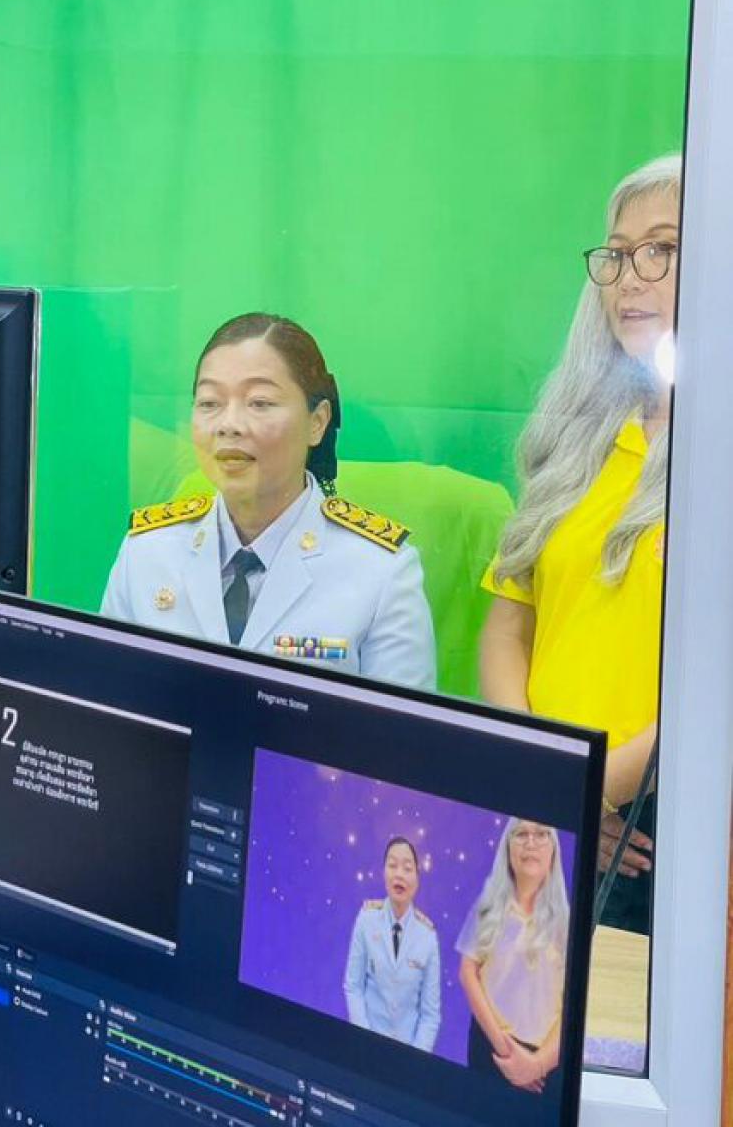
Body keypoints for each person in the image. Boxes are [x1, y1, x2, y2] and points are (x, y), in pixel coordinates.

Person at [479, 155, 681, 931]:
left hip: (654, 828)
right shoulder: (578, 442)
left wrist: (593, 789)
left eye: (662, 249)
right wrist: (541, 778)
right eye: (618, 254)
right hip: (541, 805)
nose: (630, 278)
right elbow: (509, 627)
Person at [102, 312, 436, 690]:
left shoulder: (381, 571)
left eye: (259, 402)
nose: (228, 425)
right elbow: (108, 698)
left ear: (317, 422)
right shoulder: (146, 552)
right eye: (209, 403)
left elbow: (398, 726)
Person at [457, 819, 568, 1092]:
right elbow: (468, 972)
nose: (531, 842)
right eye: (521, 834)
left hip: (546, 1062)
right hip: (491, 1048)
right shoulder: (489, 906)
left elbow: (574, 1005)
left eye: (541, 834)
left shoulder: (566, 922)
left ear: (554, 849)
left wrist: (537, 1065)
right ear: (507, 848)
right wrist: (507, 1053)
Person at [343, 836, 441, 1051]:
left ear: (417, 878)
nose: (399, 874)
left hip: (408, 1052)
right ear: (383, 873)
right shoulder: (366, 919)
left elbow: (430, 1015)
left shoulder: (428, 937)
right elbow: (353, 987)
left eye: (407, 868)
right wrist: (364, 1039)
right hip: (366, 1045)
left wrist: (415, 1058)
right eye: (392, 865)